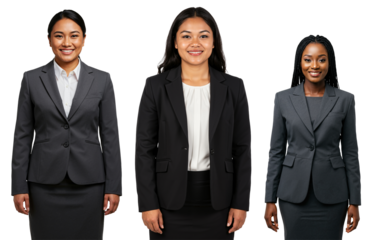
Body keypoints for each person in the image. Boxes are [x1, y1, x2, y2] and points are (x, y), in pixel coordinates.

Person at [135, 5, 251, 240]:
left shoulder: (234, 87)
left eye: (203, 36)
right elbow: (144, 150)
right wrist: (147, 204)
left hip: (219, 201)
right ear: (175, 43)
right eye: (186, 36)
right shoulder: (155, 86)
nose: (195, 43)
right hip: (167, 202)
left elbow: (243, 149)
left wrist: (242, 203)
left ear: (214, 43)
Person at [11, 8, 122, 240]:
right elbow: (21, 137)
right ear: (49, 40)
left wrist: (114, 187)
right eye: (59, 35)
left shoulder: (103, 79)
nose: (66, 42)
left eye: (74, 35)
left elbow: (111, 137)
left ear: (84, 39)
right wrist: (18, 186)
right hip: (43, 185)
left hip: (90, 185)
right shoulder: (31, 78)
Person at [263, 33, 361, 239]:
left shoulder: (345, 99)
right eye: (308, 59)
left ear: (329, 62)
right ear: (300, 62)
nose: (314, 65)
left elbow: (351, 153)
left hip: (334, 195)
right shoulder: (282, 98)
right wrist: (269, 199)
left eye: (321, 59)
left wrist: (355, 201)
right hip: (292, 195)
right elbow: (276, 152)